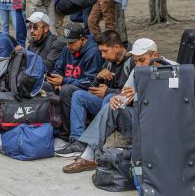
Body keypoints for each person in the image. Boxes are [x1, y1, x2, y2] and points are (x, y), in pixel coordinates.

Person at [61, 38, 177, 173]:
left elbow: (175, 102)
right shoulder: (137, 71)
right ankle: (88, 155)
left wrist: (140, 94)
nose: (138, 65)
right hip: (139, 120)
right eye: (135, 61)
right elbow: (124, 93)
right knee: (112, 105)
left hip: (162, 126)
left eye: (142, 60)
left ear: (155, 55)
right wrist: (119, 99)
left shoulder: (174, 70)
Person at [55, 30, 134, 157]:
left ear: (117, 47)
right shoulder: (108, 62)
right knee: (79, 95)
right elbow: (94, 89)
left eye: (105, 51)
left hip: (122, 107)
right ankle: (77, 141)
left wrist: (109, 91)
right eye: (101, 51)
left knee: (109, 97)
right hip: (106, 102)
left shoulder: (133, 62)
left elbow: (131, 93)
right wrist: (97, 78)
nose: (102, 55)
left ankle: (98, 142)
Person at [46, 23, 102, 143]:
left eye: (71, 42)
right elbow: (58, 69)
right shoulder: (67, 49)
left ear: (82, 40)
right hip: (67, 83)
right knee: (46, 86)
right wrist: (56, 80)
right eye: (67, 42)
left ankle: (65, 135)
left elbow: (91, 82)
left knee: (66, 90)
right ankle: (49, 128)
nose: (68, 46)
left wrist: (64, 81)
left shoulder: (93, 52)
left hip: (86, 91)